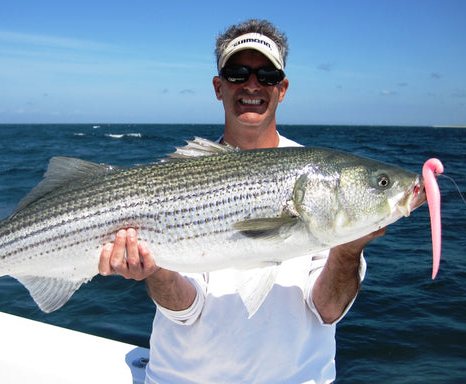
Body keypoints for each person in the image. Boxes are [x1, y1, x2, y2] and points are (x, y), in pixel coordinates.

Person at [98, 19, 385, 384]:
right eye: (237, 73)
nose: (252, 85)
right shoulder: (185, 177)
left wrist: (347, 251)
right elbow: (186, 311)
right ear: (219, 87)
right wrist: (155, 269)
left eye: (267, 75)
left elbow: (326, 311)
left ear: (282, 88)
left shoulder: (314, 180)